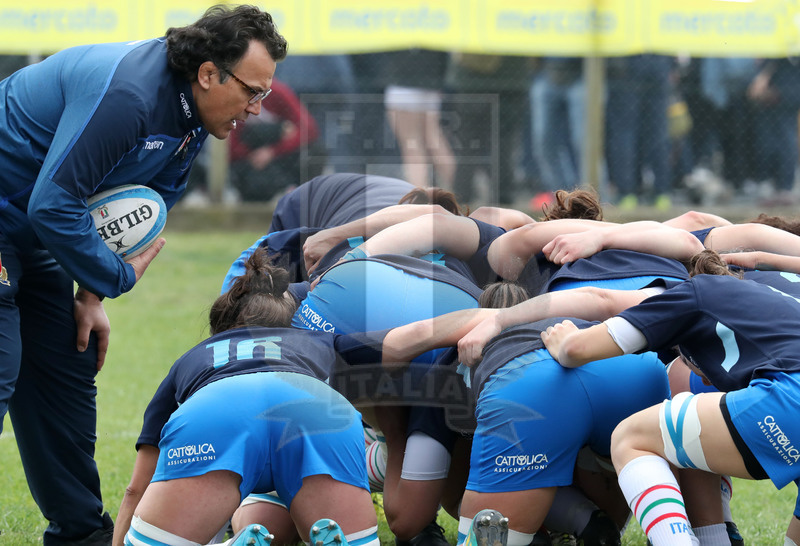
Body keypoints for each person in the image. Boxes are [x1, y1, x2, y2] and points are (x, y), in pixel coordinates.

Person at [0, 5, 287, 544]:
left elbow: (120, 216)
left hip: (33, 236)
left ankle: (81, 536)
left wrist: (89, 296)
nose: (256, 108)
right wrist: (115, 278)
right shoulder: (130, 97)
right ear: (208, 73)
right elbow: (53, 204)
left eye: (263, 95)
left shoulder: (195, 121)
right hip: (18, 217)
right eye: (253, 91)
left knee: (66, 358)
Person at [113, 248, 380, 546]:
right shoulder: (319, 338)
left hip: (219, 407)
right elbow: (399, 344)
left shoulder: (193, 358)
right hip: (315, 407)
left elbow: (135, 490)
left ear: (219, 330)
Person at [539, 251, 800, 545]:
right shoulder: (780, 289)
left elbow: (577, 350)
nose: (704, 378)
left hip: (791, 399)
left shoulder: (698, 290)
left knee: (631, 437)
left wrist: (564, 339)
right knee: (695, 427)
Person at [227, 78, 321, 202]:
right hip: (250, 161)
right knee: (257, 133)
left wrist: (272, 151)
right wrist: (253, 155)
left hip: (281, 157)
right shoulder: (235, 96)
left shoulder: (276, 91)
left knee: (315, 151)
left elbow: (309, 129)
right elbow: (229, 143)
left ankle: (295, 192)